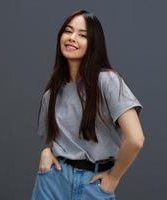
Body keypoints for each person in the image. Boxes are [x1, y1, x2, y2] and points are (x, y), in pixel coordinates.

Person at [31, 9, 145, 200]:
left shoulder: (107, 81)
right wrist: (46, 152)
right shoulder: (52, 93)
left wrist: (114, 177)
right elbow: (56, 141)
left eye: (82, 35)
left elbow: (136, 139)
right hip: (52, 182)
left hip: (93, 185)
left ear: (94, 44)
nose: (72, 38)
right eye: (68, 31)